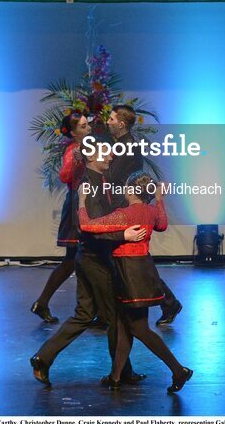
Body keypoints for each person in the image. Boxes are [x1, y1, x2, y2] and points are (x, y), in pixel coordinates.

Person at [30, 138, 146, 387]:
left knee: (84, 315)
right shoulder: (87, 186)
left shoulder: (97, 182)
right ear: (92, 157)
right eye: (106, 152)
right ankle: (122, 371)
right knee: (115, 316)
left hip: (89, 258)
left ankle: (43, 357)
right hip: (95, 259)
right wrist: (122, 235)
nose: (111, 156)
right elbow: (88, 229)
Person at [79, 172, 193, 393]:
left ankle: (178, 370)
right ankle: (116, 376)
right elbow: (162, 225)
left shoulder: (125, 214)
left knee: (139, 328)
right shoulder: (150, 211)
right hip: (142, 269)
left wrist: (82, 201)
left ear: (130, 190)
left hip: (129, 272)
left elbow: (87, 225)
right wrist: (159, 199)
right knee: (124, 325)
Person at [106, 105, 183, 326]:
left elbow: (114, 178)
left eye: (111, 118)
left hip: (126, 207)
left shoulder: (127, 146)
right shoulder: (122, 144)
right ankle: (167, 303)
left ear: (121, 124)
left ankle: (168, 302)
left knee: (137, 263)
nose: (108, 121)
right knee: (132, 263)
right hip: (124, 204)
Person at [30, 111, 91, 324]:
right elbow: (65, 176)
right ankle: (89, 311)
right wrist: (76, 160)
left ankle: (43, 302)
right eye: (83, 127)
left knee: (74, 261)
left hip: (92, 203)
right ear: (74, 133)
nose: (88, 128)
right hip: (79, 204)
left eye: (87, 124)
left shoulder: (95, 144)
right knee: (75, 260)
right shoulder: (73, 150)